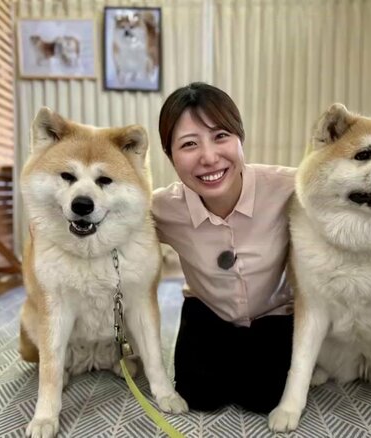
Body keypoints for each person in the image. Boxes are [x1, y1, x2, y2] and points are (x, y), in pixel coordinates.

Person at [152, 82, 296, 414]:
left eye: (221, 137)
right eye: (189, 144)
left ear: (240, 139)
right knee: (198, 397)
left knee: (263, 399)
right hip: (207, 312)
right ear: (170, 156)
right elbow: (111, 218)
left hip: (272, 314)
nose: (209, 157)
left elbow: (342, 189)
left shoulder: (287, 186)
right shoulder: (162, 207)